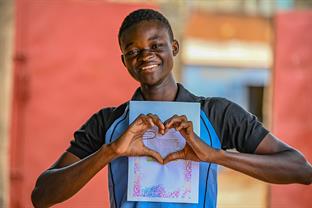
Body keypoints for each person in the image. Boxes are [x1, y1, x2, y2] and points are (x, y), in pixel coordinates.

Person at [31, 8, 312, 208]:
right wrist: (111, 151)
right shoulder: (110, 122)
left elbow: (301, 169)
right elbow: (41, 196)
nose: (145, 56)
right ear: (124, 61)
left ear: (174, 47)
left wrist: (216, 156)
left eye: (156, 45)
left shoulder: (217, 114)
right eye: (133, 51)